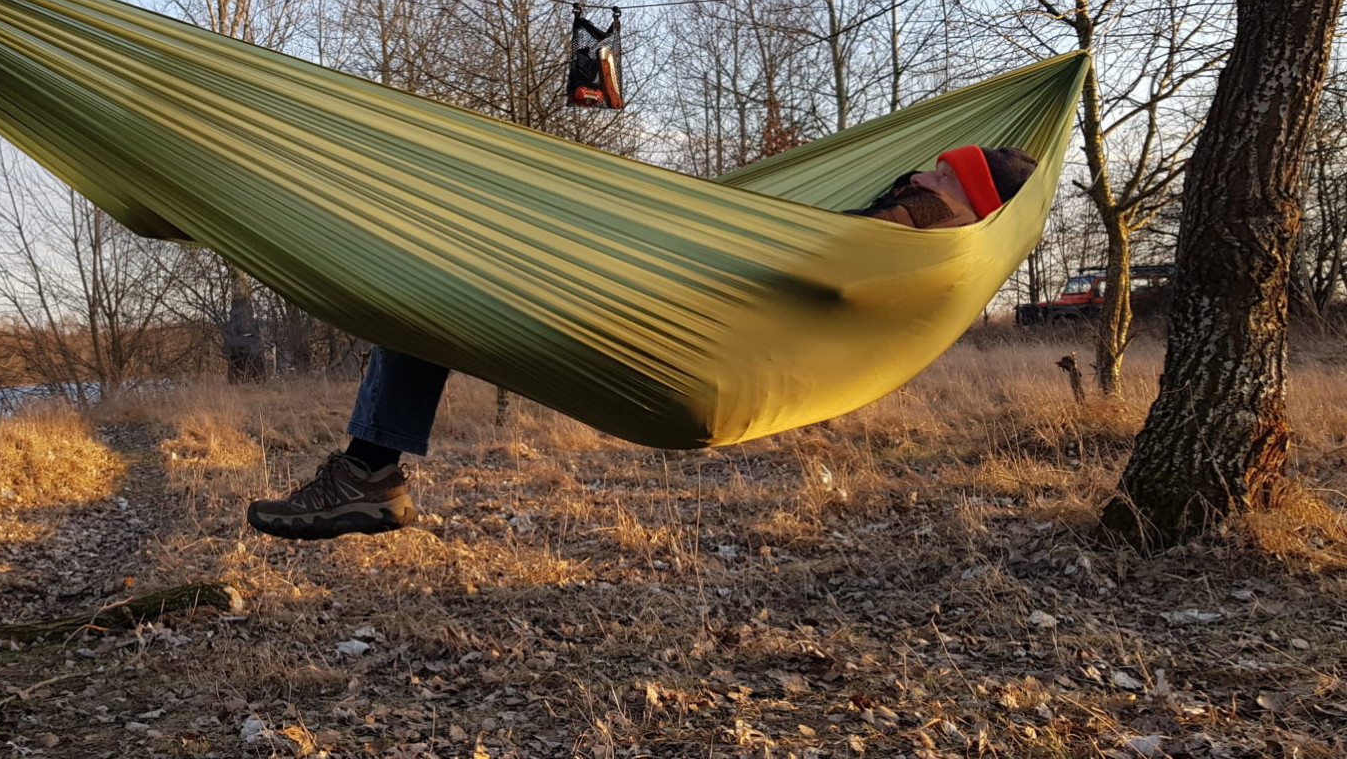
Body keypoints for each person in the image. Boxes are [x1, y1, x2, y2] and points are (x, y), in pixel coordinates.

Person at [246, 145, 1039, 540]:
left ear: (967, 205)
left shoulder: (906, 245)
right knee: (424, 306)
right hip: (673, 329)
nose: (923, 175)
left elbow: (816, 271)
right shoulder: (912, 242)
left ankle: (368, 472)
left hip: (683, 349)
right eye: (934, 168)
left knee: (427, 303)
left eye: (945, 177)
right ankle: (370, 474)